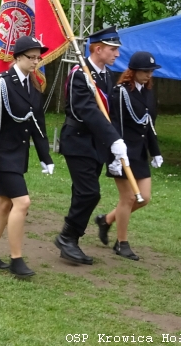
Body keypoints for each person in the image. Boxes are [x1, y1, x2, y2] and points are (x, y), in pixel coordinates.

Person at [54, 27, 129, 265]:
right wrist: (113, 138)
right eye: (113, 49)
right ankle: (67, 237)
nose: (117, 54)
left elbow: (109, 115)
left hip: (96, 144)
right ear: (98, 49)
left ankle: (70, 239)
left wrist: (116, 143)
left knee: (82, 192)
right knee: (89, 192)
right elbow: (85, 110)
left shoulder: (105, 75)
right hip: (77, 141)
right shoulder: (79, 74)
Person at [0, 36, 54, 278]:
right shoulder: (2, 83)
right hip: (2, 156)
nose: (35, 62)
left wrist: (45, 156)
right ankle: (16, 258)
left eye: (38, 57)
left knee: (3, 204)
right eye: (31, 57)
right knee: (22, 203)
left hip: (17, 155)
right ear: (17, 57)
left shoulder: (33, 84)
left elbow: (37, 123)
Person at [94, 51, 162, 261]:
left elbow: (149, 124)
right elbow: (116, 124)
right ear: (132, 71)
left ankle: (106, 220)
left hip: (139, 152)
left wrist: (155, 151)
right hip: (122, 153)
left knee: (144, 198)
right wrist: (115, 155)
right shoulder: (120, 92)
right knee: (129, 198)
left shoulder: (148, 93)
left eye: (151, 71)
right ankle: (121, 243)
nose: (148, 75)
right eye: (145, 71)